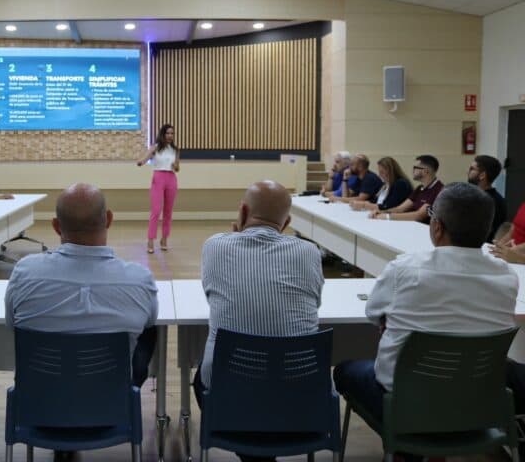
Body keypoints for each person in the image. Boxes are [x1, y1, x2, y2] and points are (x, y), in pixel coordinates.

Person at [334, 183, 517, 460]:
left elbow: (373, 314)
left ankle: (407, 450)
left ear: (436, 227)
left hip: (406, 407)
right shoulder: (506, 277)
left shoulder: (404, 268)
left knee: (346, 370)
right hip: (475, 404)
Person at [5, 183, 157, 461]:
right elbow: (150, 320)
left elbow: (11, 322)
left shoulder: (24, 272)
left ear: (55, 226)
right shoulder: (139, 279)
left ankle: (63, 436)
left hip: (41, 404)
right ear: (109, 219)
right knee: (148, 330)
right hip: (110, 406)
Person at [195, 180, 324, 462]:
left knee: (202, 377)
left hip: (233, 401)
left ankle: (255, 454)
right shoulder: (310, 252)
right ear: (287, 222)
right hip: (300, 402)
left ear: (242, 212)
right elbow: (315, 301)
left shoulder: (214, 246)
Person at [137, 124, 180, 253]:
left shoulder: (176, 150)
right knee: (156, 211)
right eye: (167, 133)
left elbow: (177, 168)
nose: (170, 136)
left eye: (172, 133)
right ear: (162, 134)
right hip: (158, 178)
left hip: (171, 178)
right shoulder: (155, 148)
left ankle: (164, 239)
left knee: (168, 212)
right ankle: (150, 240)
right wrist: (140, 162)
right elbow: (144, 159)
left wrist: (175, 165)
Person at [370, 154, 443, 223]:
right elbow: (400, 209)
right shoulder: (420, 188)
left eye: (415, 168)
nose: (413, 170)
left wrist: (387, 216)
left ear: (425, 171)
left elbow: (419, 215)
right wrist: (382, 212)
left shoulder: (438, 190)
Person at [467, 155, 506, 243]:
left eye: (472, 169)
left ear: (482, 175)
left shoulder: (489, 201)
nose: (467, 172)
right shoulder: (476, 196)